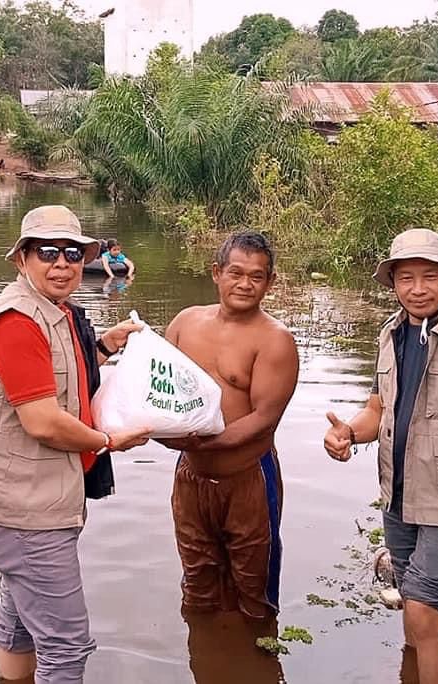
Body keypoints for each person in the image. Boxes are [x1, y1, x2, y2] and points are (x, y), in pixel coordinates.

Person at [0, 205, 151, 684]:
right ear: (22, 258)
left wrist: (106, 345)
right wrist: (110, 440)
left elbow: (63, 374)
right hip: (26, 512)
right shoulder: (18, 321)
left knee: (21, 624)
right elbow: (44, 421)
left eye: (72, 252)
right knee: (66, 643)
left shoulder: (55, 313)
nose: (62, 263)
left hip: (34, 501)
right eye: (48, 252)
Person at [323, 228, 438, 684]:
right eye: (406, 278)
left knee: (425, 614)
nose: (418, 288)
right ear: (392, 282)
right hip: (399, 497)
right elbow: (377, 409)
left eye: (430, 276)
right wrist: (348, 432)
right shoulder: (390, 333)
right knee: (412, 604)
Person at [160, 231, 299, 621]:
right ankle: (207, 660)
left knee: (254, 592)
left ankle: (257, 662)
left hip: (248, 478)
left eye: (257, 276)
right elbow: (158, 392)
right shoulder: (186, 323)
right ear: (216, 272)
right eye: (236, 272)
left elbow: (263, 419)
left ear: (270, 283)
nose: (245, 284)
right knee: (198, 583)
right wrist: (158, 432)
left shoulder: (275, 340)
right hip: (191, 479)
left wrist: (203, 443)